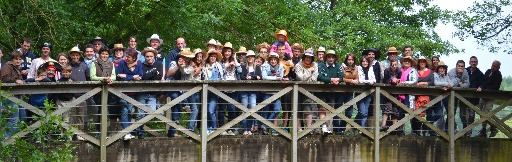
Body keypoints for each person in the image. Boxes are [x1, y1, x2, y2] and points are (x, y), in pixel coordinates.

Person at [115, 49, 143, 140]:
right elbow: (118, 76)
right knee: (124, 110)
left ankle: (128, 132)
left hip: (133, 92)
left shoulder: (138, 64)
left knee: (130, 111)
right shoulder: (122, 63)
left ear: (134, 58)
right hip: (122, 92)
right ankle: (125, 133)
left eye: (128, 57)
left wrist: (126, 76)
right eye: (126, 56)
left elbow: (140, 75)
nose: (126, 58)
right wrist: (132, 77)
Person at [136, 47, 162, 139]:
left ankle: (137, 129)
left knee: (152, 112)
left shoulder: (159, 64)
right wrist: (154, 72)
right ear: (144, 57)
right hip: (141, 92)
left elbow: (159, 77)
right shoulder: (141, 65)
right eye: (147, 56)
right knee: (140, 114)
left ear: (154, 56)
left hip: (153, 93)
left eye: (151, 56)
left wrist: (148, 75)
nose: (149, 58)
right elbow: (143, 76)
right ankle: (140, 133)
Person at [90, 47, 116, 137]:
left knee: (109, 112)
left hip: (109, 92)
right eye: (103, 54)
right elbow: (92, 77)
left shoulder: (111, 64)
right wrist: (103, 79)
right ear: (99, 54)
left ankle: (108, 133)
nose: (104, 56)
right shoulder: (94, 63)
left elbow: (114, 76)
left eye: (106, 54)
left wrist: (109, 79)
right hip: (97, 92)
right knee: (99, 112)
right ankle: (98, 132)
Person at [317, 49, 344, 134]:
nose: (331, 59)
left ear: (335, 58)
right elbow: (320, 77)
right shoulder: (321, 65)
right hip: (321, 91)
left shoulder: (338, 66)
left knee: (329, 109)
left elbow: (341, 76)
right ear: (326, 58)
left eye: (333, 57)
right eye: (329, 57)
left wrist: (338, 80)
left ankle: (328, 127)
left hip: (332, 91)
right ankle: (323, 126)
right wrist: (331, 79)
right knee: (322, 108)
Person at [165, 37, 187, 138]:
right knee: (177, 102)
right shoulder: (174, 61)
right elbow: (168, 74)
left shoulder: (188, 64)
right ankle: (172, 131)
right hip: (173, 87)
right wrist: (178, 66)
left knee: (180, 106)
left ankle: (174, 131)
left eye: (182, 43)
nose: (180, 45)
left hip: (185, 89)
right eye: (178, 43)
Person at [219, 42, 241, 135]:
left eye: (229, 51)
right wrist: (226, 66)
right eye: (226, 51)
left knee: (232, 109)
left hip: (233, 88)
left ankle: (231, 129)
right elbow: (219, 73)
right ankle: (222, 128)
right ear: (223, 52)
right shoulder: (220, 62)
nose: (227, 53)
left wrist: (235, 60)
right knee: (221, 109)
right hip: (223, 88)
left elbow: (240, 70)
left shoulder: (234, 62)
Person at [1, 50, 25, 138]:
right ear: (12, 60)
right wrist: (15, 80)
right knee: (14, 120)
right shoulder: (7, 67)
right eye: (16, 59)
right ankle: (5, 140)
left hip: (18, 96)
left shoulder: (17, 68)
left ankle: (15, 139)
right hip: (10, 96)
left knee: (23, 118)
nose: (18, 61)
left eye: (20, 59)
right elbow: (4, 78)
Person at [332, 53, 358, 135]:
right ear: (346, 60)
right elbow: (341, 77)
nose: (350, 61)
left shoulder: (356, 68)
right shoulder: (341, 67)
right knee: (337, 111)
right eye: (349, 59)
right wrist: (351, 81)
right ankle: (336, 130)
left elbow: (357, 78)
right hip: (340, 91)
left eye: (352, 59)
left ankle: (341, 129)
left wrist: (355, 80)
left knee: (349, 113)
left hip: (350, 92)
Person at [293, 49, 318, 133]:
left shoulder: (315, 65)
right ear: (304, 57)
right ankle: (298, 129)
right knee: (297, 108)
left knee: (308, 108)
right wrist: (309, 71)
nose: (308, 59)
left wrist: (305, 76)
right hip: (297, 90)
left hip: (309, 90)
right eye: (307, 57)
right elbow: (300, 78)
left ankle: (308, 129)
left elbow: (314, 79)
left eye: (310, 58)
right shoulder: (298, 65)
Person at [68, 46, 89, 141]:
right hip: (70, 95)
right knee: (71, 115)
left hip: (82, 94)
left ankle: (80, 133)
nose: (75, 56)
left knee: (81, 115)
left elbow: (88, 79)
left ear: (80, 55)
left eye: (77, 55)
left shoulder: (84, 66)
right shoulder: (68, 66)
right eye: (73, 55)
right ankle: (70, 134)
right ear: (71, 56)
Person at [261, 52, 284, 134]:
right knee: (266, 110)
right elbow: (264, 77)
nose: (273, 61)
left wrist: (277, 78)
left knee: (277, 109)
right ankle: (264, 130)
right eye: (272, 59)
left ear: (277, 60)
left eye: (275, 60)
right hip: (267, 91)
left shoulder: (280, 68)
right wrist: (275, 78)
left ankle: (265, 125)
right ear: (269, 60)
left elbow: (281, 77)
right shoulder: (265, 67)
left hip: (276, 92)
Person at [477, 60, 502, 138]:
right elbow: (484, 80)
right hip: (483, 96)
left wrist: (483, 87)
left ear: (498, 67)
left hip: (490, 97)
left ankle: (493, 127)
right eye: (492, 65)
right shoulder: (488, 71)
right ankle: (484, 131)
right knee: (482, 114)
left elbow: (495, 87)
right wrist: (481, 86)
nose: (493, 67)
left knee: (487, 114)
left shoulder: (498, 75)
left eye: (495, 66)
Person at [240, 50, 262, 135]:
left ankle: (250, 128)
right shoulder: (243, 67)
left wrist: (251, 77)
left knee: (252, 108)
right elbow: (242, 77)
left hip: (253, 91)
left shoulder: (257, 67)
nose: (250, 58)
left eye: (252, 57)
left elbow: (260, 77)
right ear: (246, 58)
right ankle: (245, 128)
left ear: (254, 58)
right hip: (244, 91)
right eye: (248, 57)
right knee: (244, 109)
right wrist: (254, 77)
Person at [202, 49, 224, 135]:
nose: (213, 58)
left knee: (211, 110)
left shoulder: (218, 66)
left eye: (215, 57)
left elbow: (221, 78)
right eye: (211, 56)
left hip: (214, 91)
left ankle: (214, 128)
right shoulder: (205, 66)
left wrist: (212, 81)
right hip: (205, 91)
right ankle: (208, 128)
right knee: (206, 111)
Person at [463, 56, 484, 137]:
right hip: (463, 97)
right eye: (472, 61)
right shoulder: (465, 71)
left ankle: (469, 132)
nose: (473, 63)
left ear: (477, 63)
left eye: (475, 62)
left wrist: (481, 87)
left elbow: (483, 83)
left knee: (471, 116)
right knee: (462, 115)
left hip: (474, 98)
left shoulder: (479, 73)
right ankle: (464, 130)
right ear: (469, 62)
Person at [413, 56, 434, 136]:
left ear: (426, 63)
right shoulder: (415, 71)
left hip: (425, 96)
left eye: (423, 61)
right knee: (414, 113)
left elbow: (431, 82)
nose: (422, 63)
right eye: (421, 61)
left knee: (423, 113)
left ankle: (424, 131)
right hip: (415, 95)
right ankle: (415, 132)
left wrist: (422, 83)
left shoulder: (430, 72)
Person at [398, 56, 418, 135]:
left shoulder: (413, 71)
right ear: (402, 62)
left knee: (411, 112)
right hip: (400, 94)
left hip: (409, 95)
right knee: (400, 112)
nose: (407, 62)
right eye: (405, 61)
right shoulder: (399, 70)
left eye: (409, 61)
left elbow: (414, 81)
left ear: (411, 63)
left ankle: (413, 131)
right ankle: (400, 130)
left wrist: (403, 83)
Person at [447, 60, 469, 131]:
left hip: (462, 95)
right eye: (459, 66)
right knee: (451, 112)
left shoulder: (465, 72)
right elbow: (452, 85)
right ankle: (451, 130)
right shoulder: (451, 72)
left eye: (462, 66)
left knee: (463, 114)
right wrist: (459, 77)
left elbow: (467, 84)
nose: (460, 67)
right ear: (456, 66)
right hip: (451, 95)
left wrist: (460, 84)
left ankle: (465, 130)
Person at [356, 56, 376, 131]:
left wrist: (368, 81)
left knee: (366, 112)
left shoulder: (371, 69)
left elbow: (374, 80)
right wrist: (368, 82)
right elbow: (360, 80)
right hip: (360, 93)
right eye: (363, 61)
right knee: (362, 112)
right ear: (361, 62)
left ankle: (362, 129)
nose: (365, 63)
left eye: (366, 61)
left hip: (368, 93)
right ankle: (354, 125)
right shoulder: (358, 68)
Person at [381, 59, 401, 131]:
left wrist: (398, 80)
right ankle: (383, 125)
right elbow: (385, 80)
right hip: (387, 92)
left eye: (396, 65)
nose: (394, 66)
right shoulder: (387, 70)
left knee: (395, 109)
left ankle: (395, 127)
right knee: (387, 108)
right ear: (390, 65)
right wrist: (392, 80)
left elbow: (400, 78)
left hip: (396, 93)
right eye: (393, 65)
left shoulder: (399, 71)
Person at [432, 61, 451, 136]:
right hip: (436, 98)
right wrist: (446, 84)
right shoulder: (434, 75)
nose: (442, 70)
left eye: (443, 68)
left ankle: (444, 131)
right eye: (440, 68)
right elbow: (436, 83)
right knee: (439, 114)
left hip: (446, 97)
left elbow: (451, 84)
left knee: (448, 113)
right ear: (438, 69)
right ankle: (434, 130)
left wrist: (447, 86)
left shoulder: (446, 76)